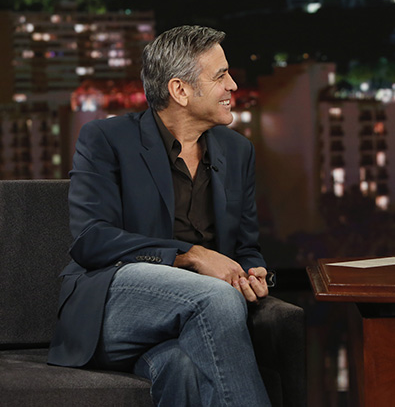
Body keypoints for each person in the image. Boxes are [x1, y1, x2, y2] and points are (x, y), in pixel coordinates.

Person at [48, 26, 273, 406]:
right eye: (220, 75)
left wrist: (252, 273)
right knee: (216, 299)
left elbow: (246, 246)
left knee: (181, 368)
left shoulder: (238, 152)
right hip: (113, 303)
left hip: (193, 317)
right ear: (180, 90)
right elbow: (92, 240)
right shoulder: (106, 139)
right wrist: (191, 255)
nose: (233, 85)